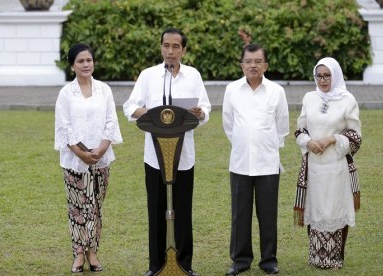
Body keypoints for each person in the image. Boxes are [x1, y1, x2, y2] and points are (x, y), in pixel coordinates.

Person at [122, 28, 211, 276]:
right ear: (160, 47)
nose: (170, 51)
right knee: (156, 209)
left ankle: (184, 264)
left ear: (183, 50)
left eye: (175, 47)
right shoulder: (149, 75)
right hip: (155, 156)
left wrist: (200, 113)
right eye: (166, 46)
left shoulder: (193, 75)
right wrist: (151, 114)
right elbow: (130, 106)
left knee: (183, 210)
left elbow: (205, 109)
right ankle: (156, 265)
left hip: (183, 157)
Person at [54, 43, 123, 273]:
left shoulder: (104, 89)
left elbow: (111, 121)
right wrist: (81, 154)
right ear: (72, 65)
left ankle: (93, 253)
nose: (86, 65)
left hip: (101, 160)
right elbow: (64, 127)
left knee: (95, 208)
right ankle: (78, 255)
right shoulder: (66, 93)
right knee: (77, 209)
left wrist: (102, 149)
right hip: (74, 162)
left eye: (89, 60)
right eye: (81, 61)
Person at [222, 44, 289, 275]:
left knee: (268, 214)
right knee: (240, 215)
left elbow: (282, 127)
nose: (253, 65)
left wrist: (265, 147)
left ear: (265, 65)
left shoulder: (276, 91)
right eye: (248, 61)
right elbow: (228, 125)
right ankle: (240, 261)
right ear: (242, 65)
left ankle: (268, 260)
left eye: (258, 61)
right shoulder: (231, 90)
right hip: (240, 162)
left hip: (268, 163)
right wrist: (245, 144)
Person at [293, 57, 362, 269]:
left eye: (327, 75)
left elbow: (356, 137)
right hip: (314, 166)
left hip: (337, 166)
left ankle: (336, 259)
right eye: (319, 75)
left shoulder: (347, 99)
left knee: (335, 210)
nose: (323, 80)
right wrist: (308, 142)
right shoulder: (309, 98)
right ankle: (317, 257)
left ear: (336, 75)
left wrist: (331, 139)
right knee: (316, 209)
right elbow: (300, 129)